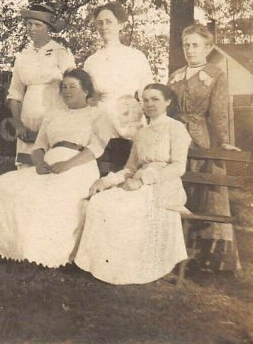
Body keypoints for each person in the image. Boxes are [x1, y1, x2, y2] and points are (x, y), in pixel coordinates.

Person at [0, 69, 113, 268]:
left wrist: (67, 165)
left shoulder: (97, 114)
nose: (67, 91)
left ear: (86, 91)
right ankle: (15, 249)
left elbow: (95, 148)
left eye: (73, 87)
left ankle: (46, 254)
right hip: (48, 167)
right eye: (64, 87)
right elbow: (39, 146)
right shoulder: (53, 114)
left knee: (50, 196)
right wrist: (39, 164)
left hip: (80, 167)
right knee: (0, 186)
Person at [76, 84, 191, 284]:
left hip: (164, 185)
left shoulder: (176, 128)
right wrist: (107, 180)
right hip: (137, 182)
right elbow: (130, 168)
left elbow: (178, 167)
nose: (149, 104)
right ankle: (106, 266)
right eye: (145, 100)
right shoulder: (141, 133)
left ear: (168, 102)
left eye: (155, 99)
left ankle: (128, 268)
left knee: (125, 208)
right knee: (101, 201)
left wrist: (143, 179)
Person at [168, 23, 242, 272]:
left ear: (208, 48)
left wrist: (223, 142)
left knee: (206, 194)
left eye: (195, 45)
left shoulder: (216, 75)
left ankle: (208, 260)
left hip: (200, 140)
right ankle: (172, 251)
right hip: (175, 138)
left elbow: (220, 112)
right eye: (186, 45)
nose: (190, 50)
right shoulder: (176, 75)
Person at [84, 2, 154, 168]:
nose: (104, 26)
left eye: (109, 22)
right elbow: (89, 98)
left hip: (128, 120)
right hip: (102, 120)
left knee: (127, 169)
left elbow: (147, 92)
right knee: (99, 169)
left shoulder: (135, 56)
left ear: (120, 25)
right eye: (99, 23)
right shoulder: (91, 61)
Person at [6, 2, 75, 165]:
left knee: (51, 165)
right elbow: (15, 93)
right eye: (29, 24)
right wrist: (18, 125)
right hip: (27, 119)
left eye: (38, 24)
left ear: (48, 27)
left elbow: (74, 86)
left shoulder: (61, 53)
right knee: (26, 166)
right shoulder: (22, 56)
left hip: (54, 115)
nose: (32, 28)